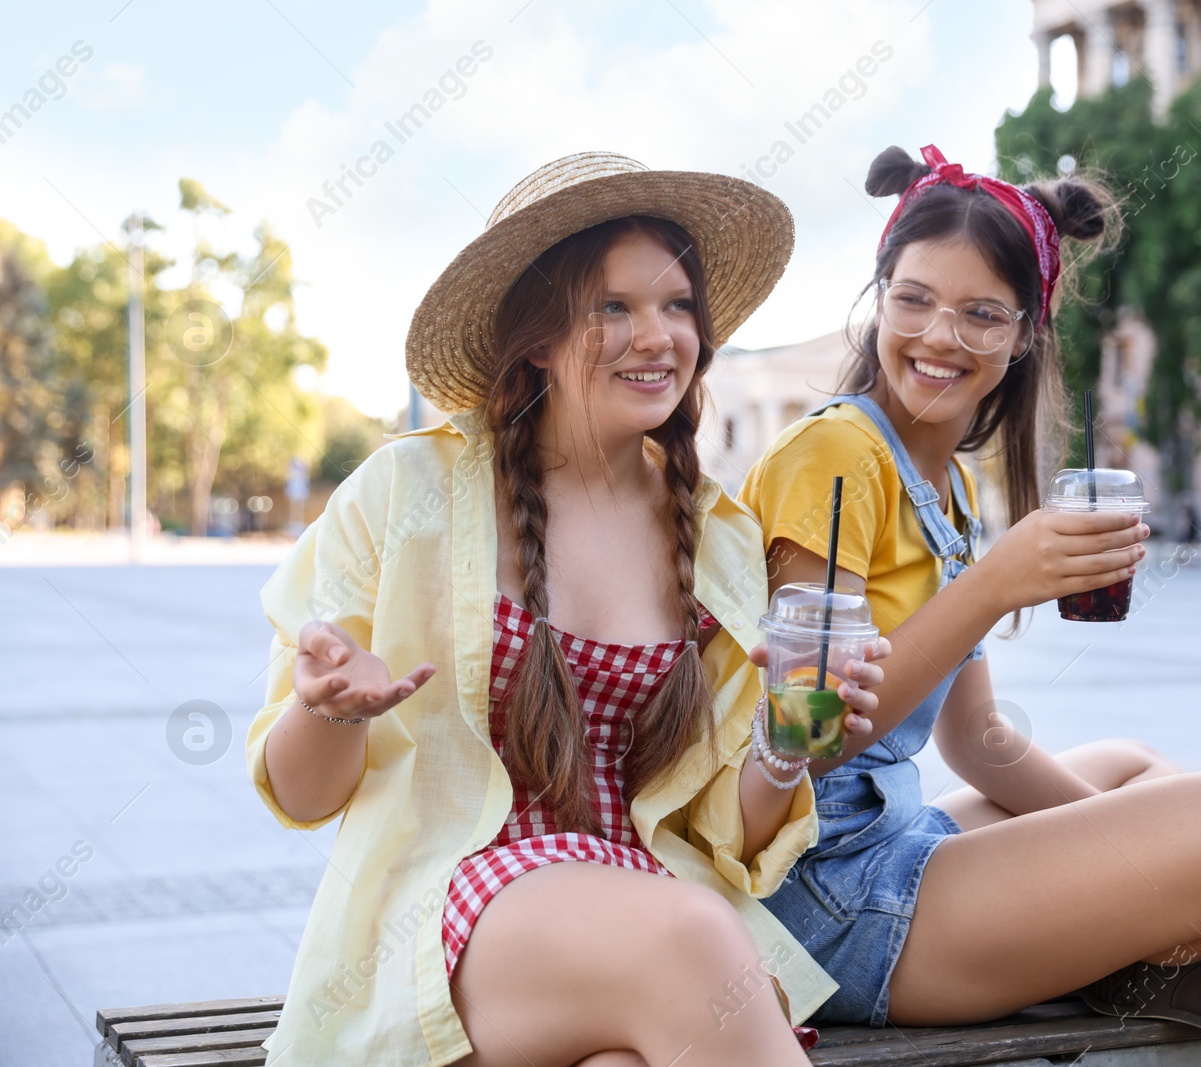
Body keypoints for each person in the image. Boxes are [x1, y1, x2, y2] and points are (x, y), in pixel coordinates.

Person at [246, 153, 890, 1066]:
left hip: (640, 899)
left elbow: (725, 838)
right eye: (612, 307)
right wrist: (326, 709)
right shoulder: (406, 490)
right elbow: (303, 793)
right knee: (700, 944)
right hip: (454, 911)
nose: (656, 336)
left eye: (676, 307)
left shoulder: (717, 536)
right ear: (537, 336)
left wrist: (787, 741)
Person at [739, 145, 1201, 1037]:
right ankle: (1137, 955)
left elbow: (982, 742)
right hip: (825, 902)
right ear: (879, 298)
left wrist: (1131, 847)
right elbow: (807, 741)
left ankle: (1118, 949)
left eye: (981, 314)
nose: (938, 336)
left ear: (1026, 333)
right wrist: (993, 584)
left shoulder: (944, 485)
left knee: (1141, 772)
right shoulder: (835, 458)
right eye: (912, 299)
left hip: (892, 844)